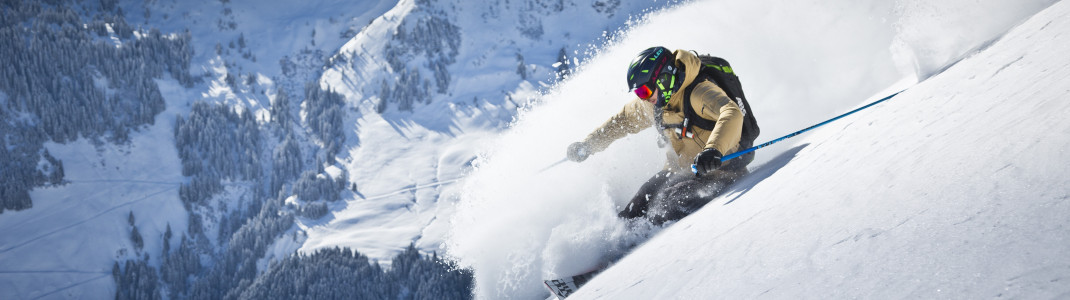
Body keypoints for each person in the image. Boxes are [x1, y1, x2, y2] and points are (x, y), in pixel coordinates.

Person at [566, 46, 755, 225]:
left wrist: (713, 150)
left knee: (668, 204)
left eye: (645, 90)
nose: (644, 97)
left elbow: (731, 113)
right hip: (678, 170)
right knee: (636, 206)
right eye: (639, 93)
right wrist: (588, 145)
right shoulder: (652, 103)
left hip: (720, 169)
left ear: (664, 79)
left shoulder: (699, 92)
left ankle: (656, 248)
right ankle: (621, 245)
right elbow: (621, 121)